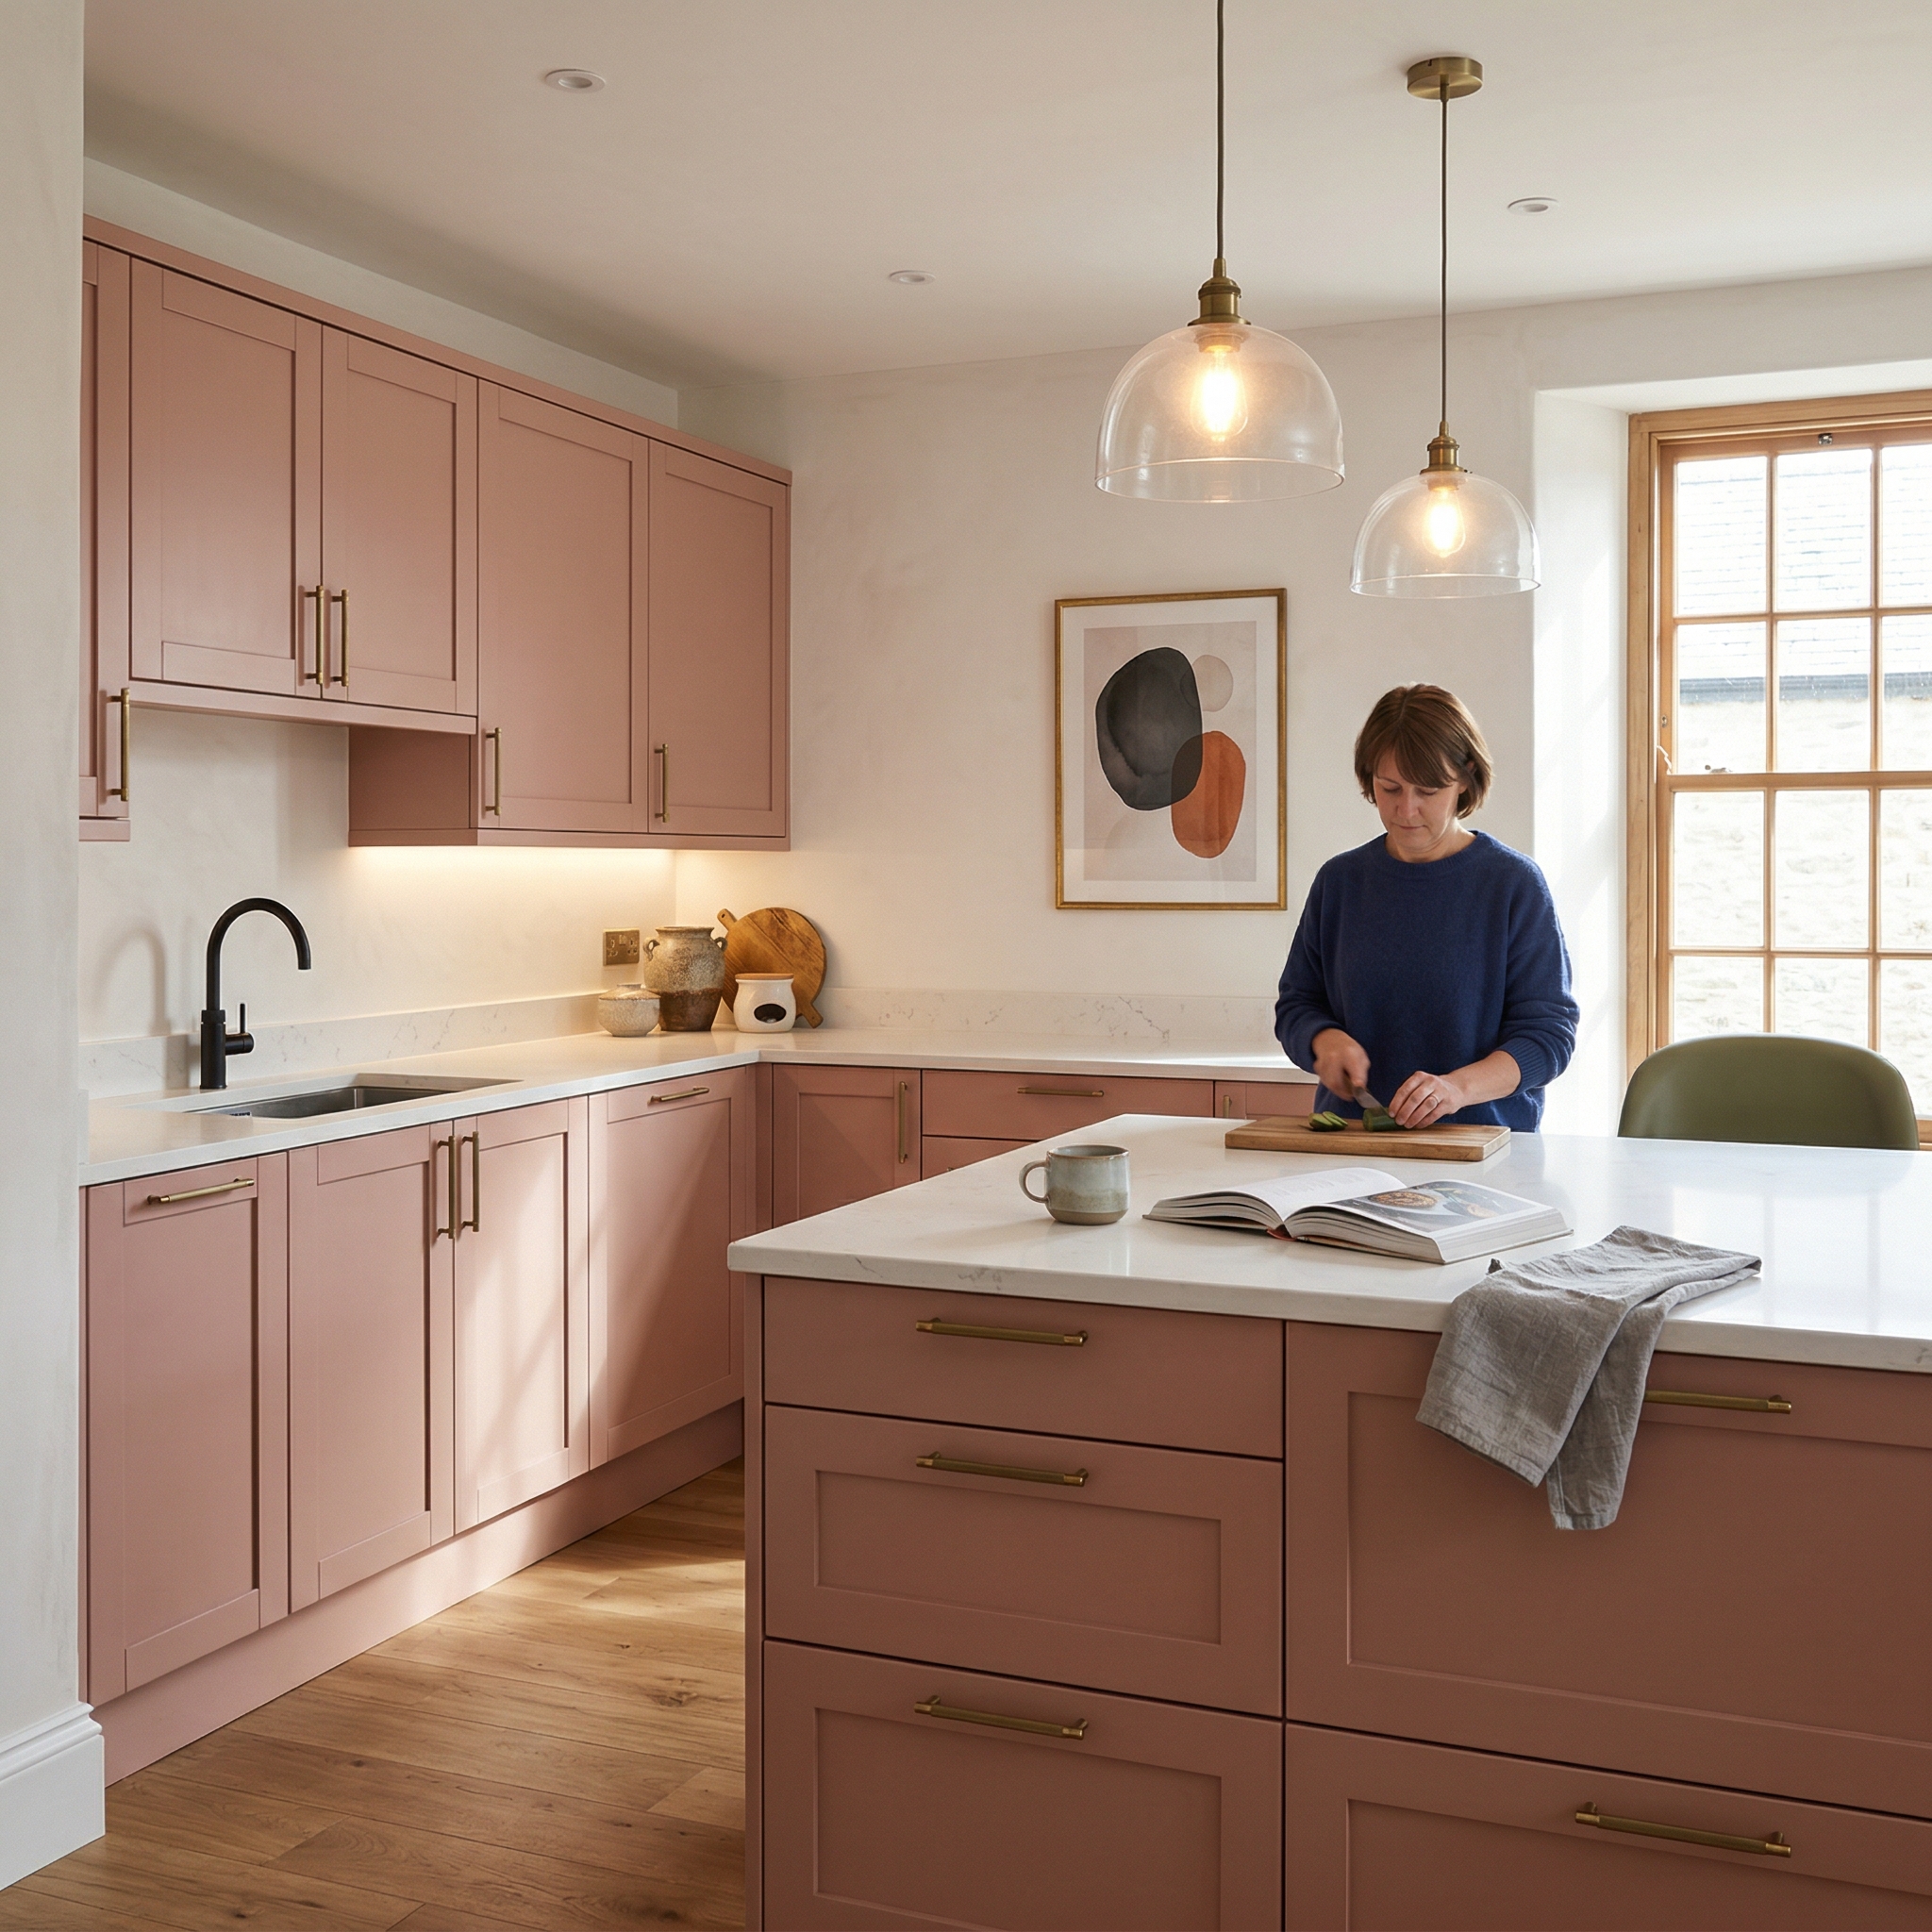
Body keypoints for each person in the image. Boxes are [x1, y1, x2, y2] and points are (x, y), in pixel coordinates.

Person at [1274, 684, 1578, 1131]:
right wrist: (1324, 1039)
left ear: (1465, 779)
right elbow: (1297, 1004)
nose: (1406, 809)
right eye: (1389, 787)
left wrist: (1458, 1089)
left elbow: (1549, 1037)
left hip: (1482, 1150)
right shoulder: (1339, 883)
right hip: (1353, 1148)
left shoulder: (1512, 885)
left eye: (1428, 790)